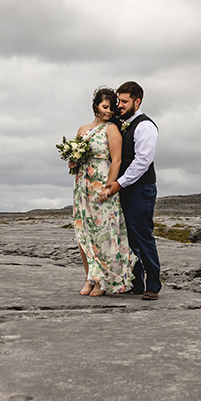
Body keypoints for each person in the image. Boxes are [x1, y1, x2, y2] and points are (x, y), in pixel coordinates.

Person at [72, 87, 135, 296]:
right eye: (105, 107)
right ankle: (89, 278)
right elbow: (75, 159)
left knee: (103, 233)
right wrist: (72, 161)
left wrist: (109, 186)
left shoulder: (111, 129)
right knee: (84, 234)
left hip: (101, 183)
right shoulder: (82, 129)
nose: (109, 111)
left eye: (111, 108)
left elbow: (116, 159)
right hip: (82, 185)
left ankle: (102, 281)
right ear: (95, 106)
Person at [101, 81, 161, 299]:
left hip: (141, 188)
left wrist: (120, 183)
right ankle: (136, 281)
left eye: (125, 101)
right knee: (126, 236)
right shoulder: (121, 123)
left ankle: (153, 284)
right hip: (124, 188)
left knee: (142, 234)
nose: (120, 105)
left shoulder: (145, 126)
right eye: (119, 101)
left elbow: (142, 161)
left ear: (138, 101)